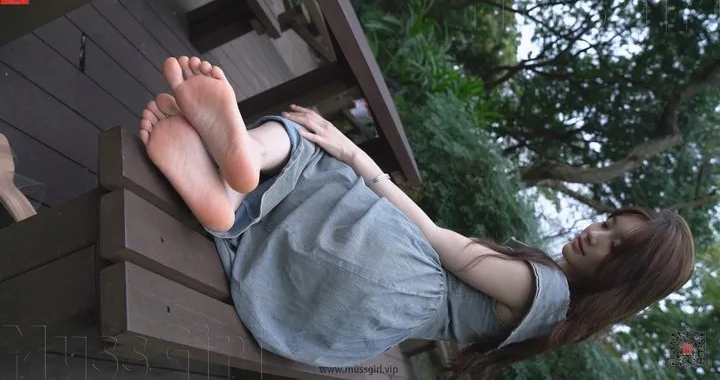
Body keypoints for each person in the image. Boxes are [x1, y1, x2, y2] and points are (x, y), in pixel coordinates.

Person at [139, 56, 696, 378]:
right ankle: (229, 189)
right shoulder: (549, 319)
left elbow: (434, 237)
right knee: (319, 168)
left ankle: (244, 164)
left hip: (385, 269)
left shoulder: (541, 287)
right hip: (355, 317)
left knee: (310, 149)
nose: (595, 235)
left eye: (615, 247)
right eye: (606, 224)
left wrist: (358, 157)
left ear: (624, 280)